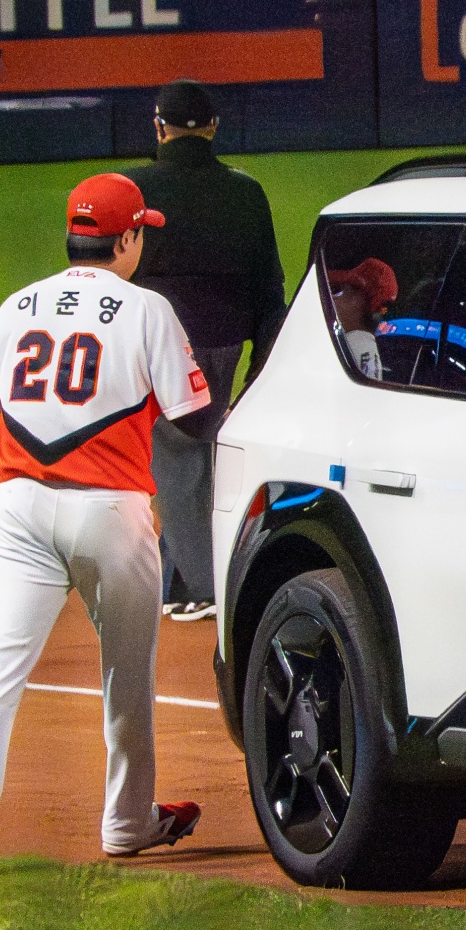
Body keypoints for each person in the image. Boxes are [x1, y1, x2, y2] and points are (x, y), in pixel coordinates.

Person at [0, 173, 212, 876]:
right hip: (110, 514)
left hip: (20, 509)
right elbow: (193, 420)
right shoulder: (147, 308)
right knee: (127, 674)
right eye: (141, 234)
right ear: (126, 239)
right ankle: (127, 823)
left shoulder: (18, 304)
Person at [124, 80, 287, 620]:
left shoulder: (132, 188)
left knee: (176, 457)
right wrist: (260, 370)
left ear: (159, 128)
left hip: (151, 343)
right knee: (200, 452)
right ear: (214, 128)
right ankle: (182, 577)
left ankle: (201, 585)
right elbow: (269, 288)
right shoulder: (246, 191)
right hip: (221, 344)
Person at [327, 257, 397, 379]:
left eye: (335, 290)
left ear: (364, 302)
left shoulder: (349, 350)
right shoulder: (359, 347)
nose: (327, 298)